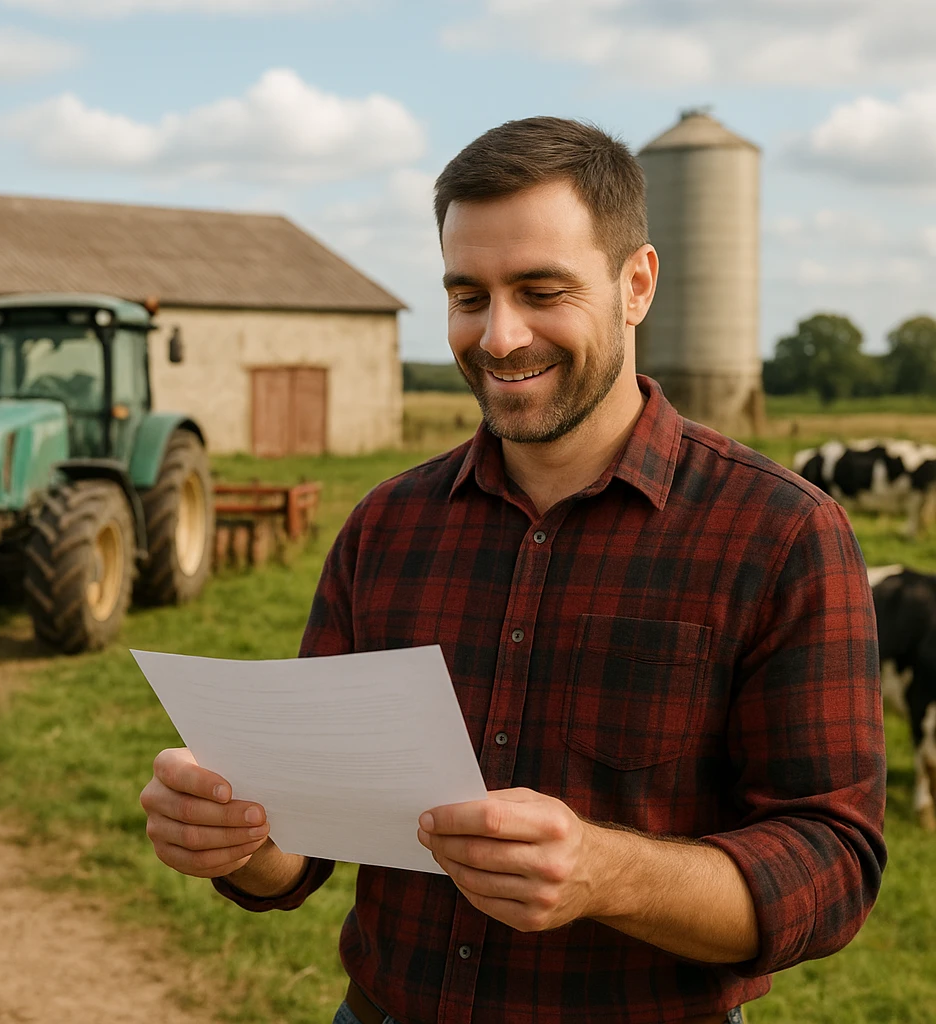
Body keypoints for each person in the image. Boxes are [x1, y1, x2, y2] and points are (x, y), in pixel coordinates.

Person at [140, 117, 887, 1024]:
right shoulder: (387, 526)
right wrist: (238, 836)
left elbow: (835, 864)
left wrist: (606, 873)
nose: (498, 338)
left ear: (636, 285)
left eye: (541, 290)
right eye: (468, 295)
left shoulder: (781, 532)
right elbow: (302, 839)